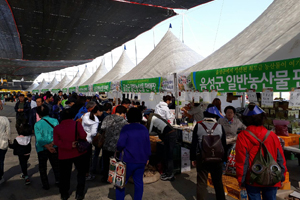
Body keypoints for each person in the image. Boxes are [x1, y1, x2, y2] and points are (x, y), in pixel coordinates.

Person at [235, 103, 287, 200]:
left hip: (253, 178)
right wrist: (282, 176)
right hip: (272, 176)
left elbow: (242, 161)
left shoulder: (243, 136)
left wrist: (241, 180)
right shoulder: (272, 135)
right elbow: (280, 158)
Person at [190, 104, 227, 200]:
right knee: (218, 182)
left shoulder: (198, 126)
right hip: (217, 158)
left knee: (201, 182)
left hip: (202, 157)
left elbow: (193, 143)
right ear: (215, 116)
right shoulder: (220, 127)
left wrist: (193, 158)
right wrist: (224, 159)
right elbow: (224, 145)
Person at [116, 108, 151, 200]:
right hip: (141, 160)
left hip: (127, 160)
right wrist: (147, 157)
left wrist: (118, 150)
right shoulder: (144, 129)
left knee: (121, 182)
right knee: (139, 182)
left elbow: (120, 144)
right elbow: (148, 144)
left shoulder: (126, 128)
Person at [53, 109, 88, 200]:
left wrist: (68, 145)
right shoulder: (77, 124)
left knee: (64, 175)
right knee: (81, 173)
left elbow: (56, 142)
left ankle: (64, 194)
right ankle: (79, 193)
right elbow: (83, 136)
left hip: (64, 154)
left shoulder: (57, 128)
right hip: (78, 152)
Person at [144, 110, 176, 181]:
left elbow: (148, 131)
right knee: (166, 154)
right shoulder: (155, 116)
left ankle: (170, 174)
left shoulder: (151, 118)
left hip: (170, 135)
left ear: (146, 116)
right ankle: (167, 172)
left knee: (169, 156)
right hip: (169, 134)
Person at [34, 105, 60, 190]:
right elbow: (58, 135)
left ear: (39, 114)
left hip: (42, 149)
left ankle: (45, 184)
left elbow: (39, 139)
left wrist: (47, 146)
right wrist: (52, 144)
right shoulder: (55, 121)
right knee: (56, 166)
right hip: (54, 147)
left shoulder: (37, 124)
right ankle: (58, 181)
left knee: (42, 167)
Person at [101, 106, 128, 183]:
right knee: (115, 163)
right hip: (117, 146)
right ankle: (114, 178)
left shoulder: (107, 118)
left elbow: (102, 128)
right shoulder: (124, 122)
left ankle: (105, 177)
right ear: (122, 113)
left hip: (106, 144)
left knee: (106, 162)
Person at [82, 105, 103, 180]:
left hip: (81, 138)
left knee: (82, 159)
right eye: (101, 111)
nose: (102, 113)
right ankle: (87, 175)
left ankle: (82, 173)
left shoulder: (86, 115)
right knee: (87, 159)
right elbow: (94, 133)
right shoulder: (95, 120)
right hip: (88, 140)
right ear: (97, 111)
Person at [0, 116, 11, 184]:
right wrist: (10, 140)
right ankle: (0, 177)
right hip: (2, 143)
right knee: (1, 160)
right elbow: (8, 131)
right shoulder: (4, 119)